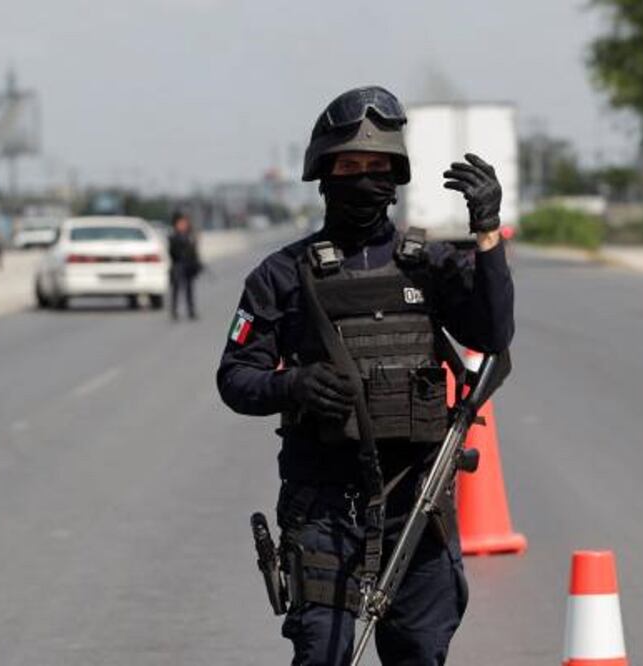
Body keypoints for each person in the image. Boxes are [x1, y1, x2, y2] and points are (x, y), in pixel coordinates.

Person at [216, 86, 514, 665]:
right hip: (324, 508)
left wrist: (487, 236)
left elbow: (494, 336)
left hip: (417, 507)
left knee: (419, 655)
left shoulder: (428, 264)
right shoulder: (281, 276)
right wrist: (292, 386)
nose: (364, 179)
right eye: (350, 166)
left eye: (377, 167)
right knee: (324, 655)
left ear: (396, 175)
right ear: (323, 175)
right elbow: (234, 378)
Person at [167, 212, 201, 320]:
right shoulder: (173, 237)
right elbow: (172, 252)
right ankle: (174, 311)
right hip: (178, 266)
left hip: (189, 266)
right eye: (181, 223)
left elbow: (194, 253)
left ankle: (191, 311)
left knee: (189, 290)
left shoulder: (190, 236)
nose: (183, 225)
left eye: (184, 223)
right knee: (176, 290)